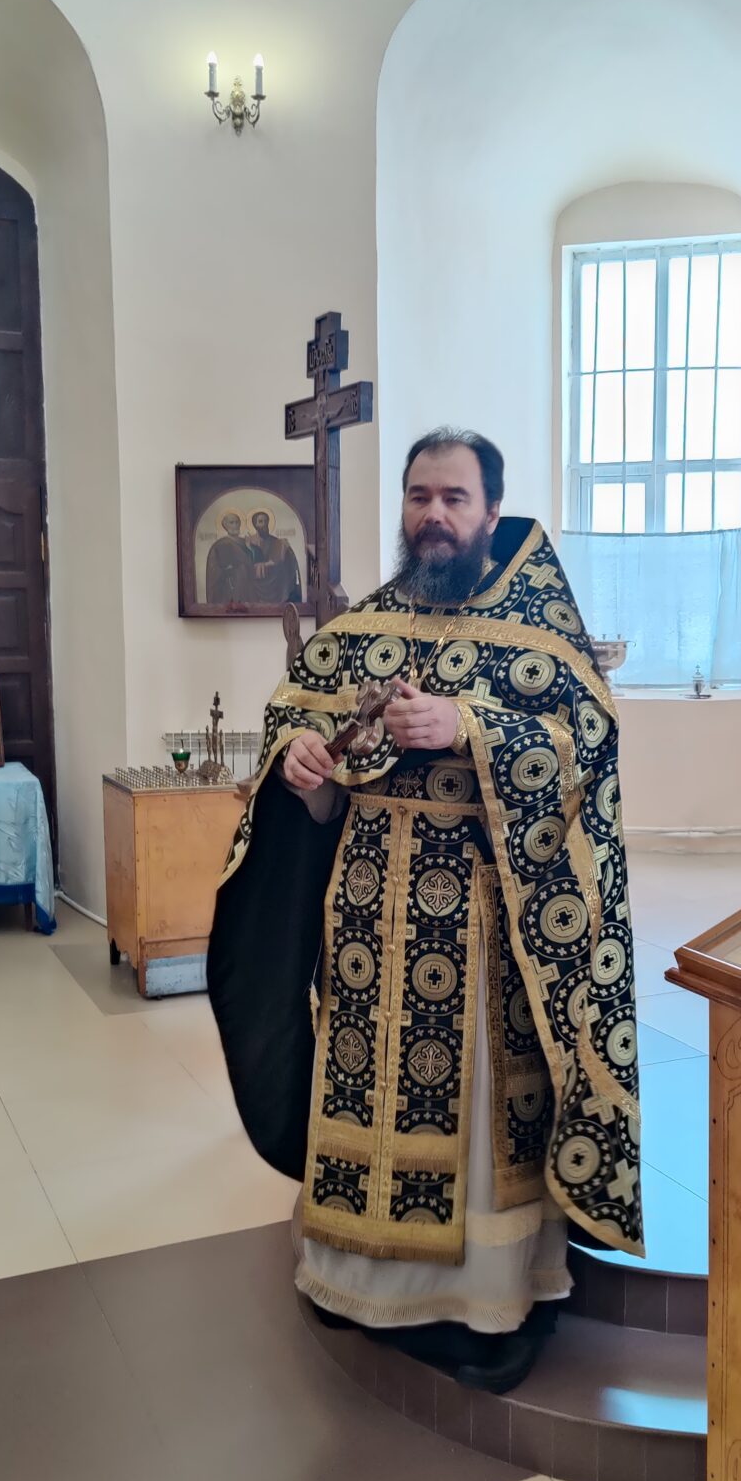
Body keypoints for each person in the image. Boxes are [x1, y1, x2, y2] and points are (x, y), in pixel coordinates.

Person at [209, 427, 643, 1395]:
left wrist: (469, 726)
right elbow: (298, 740)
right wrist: (300, 764)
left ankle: (485, 1301)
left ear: (492, 509)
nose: (433, 516)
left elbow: (584, 751)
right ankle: (360, 1279)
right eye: (419, 497)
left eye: (453, 497)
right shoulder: (360, 630)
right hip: (367, 921)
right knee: (364, 1087)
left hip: (485, 927)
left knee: (474, 1111)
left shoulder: (541, 637)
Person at [245, 509, 302, 604]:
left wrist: (286, 549)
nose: (264, 524)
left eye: (266, 521)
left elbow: (280, 560)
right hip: (255, 576)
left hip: (274, 576)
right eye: (260, 521)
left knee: (282, 569)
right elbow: (246, 559)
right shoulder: (249, 541)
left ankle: (284, 600)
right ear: (255, 525)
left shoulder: (276, 541)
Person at [205, 511, 254, 605]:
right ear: (225, 525)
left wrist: (250, 548)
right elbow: (220, 567)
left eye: (237, 522)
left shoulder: (245, 541)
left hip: (247, 583)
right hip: (231, 583)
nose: (235, 525)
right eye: (231, 522)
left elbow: (252, 561)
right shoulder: (222, 543)